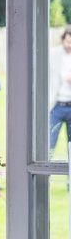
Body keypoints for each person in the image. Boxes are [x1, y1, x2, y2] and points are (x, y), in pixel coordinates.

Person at [49, 26, 71, 158]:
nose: (69, 44)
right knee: (49, 143)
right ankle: (45, 177)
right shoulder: (54, 54)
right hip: (56, 105)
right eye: (67, 41)